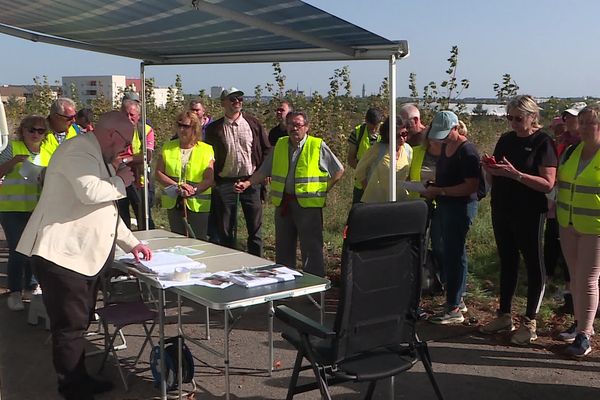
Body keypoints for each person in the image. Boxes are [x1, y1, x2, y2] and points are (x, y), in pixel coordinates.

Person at [16, 111, 153, 400]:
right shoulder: (77, 150)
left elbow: (105, 211)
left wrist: (131, 243)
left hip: (77, 257)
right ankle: (72, 388)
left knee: (78, 324)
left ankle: (79, 379)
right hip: (62, 256)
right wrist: (120, 181)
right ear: (112, 135)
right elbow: (90, 193)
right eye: (125, 143)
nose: (125, 150)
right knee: (70, 328)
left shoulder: (94, 154)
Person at [479, 95, 557, 345]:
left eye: (518, 118)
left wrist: (518, 175)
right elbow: (496, 177)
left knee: (534, 264)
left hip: (529, 212)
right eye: (509, 117)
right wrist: (489, 169)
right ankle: (504, 315)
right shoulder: (505, 139)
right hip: (502, 208)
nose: (513, 123)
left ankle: (530, 321)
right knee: (508, 261)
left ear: (533, 117)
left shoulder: (543, 142)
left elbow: (548, 184)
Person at [234, 111, 343, 277]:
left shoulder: (317, 145)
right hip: (284, 205)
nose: (294, 128)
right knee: (283, 248)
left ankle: (313, 289)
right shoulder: (280, 145)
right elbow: (264, 170)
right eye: (291, 124)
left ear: (306, 127)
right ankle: (285, 286)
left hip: (308, 207)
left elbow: (338, 170)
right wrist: (247, 183)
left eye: (298, 124)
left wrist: (323, 190)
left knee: (311, 249)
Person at [425, 111, 480, 325]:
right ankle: (456, 299)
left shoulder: (467, 152)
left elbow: (471, 186)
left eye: (446, 134)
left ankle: (454, 306)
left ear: (456, 129)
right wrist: (434, 187)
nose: (442, 139)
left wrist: (442, 191)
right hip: (447, 204)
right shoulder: (447, 147)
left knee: (455, 254)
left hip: (461, 207)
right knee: (452, 252)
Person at [204, 87, 271, 257]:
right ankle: (229, 262)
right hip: (225, 182)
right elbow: (207, 156)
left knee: (255, 229)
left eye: (240, 99)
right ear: (223, 103)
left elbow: (266, 150)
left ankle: (258, 264)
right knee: (226, 229)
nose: (237, 102)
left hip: (251, 181)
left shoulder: (253, 124)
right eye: (232, 99)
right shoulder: (214, 129)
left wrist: (262, 175)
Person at [556, 103, 600, 357]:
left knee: (587, 279)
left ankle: (584, 335)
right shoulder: (572, 151)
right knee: (576, 278)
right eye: (581, 123)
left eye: (589, 123)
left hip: (595, 228)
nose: (583, 128)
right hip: (568, 223)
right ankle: (582, 321)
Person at [0, 115, 47, 310]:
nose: (36, 134)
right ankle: (15, 292)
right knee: (18, 252)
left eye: (40, 131)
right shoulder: (12, 147)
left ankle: (31, 286)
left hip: (35, 209)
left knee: (35, 250)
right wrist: (14, 162)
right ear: (23, 130)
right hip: (10, 209)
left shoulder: (47, 152)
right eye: (31, 130)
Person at [156, 111, 214, 240]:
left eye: (186, 126)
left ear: (195, 128)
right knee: (177, 240)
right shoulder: (167, 147)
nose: (181, 129)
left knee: (197, 240)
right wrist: (177, 186)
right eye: (179, 125)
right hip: (174, 201)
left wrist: (193, 190)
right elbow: (159, 173)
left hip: (198, 204)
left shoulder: (206, 149)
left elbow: (209, 179)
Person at [116, 98, 156, 230]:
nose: (128, 118)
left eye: (132, 115)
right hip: (119, 178)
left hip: (139, 179)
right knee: (121, 216)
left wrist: (126, 159)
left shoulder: (146, 130)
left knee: (143, 215)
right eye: (125, 114)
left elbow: (147, 156)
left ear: (138, 116)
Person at [354, 116, 411, 203]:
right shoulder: (377, 149)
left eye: (404, 134)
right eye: (397, 135)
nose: (402, 138)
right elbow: (359, 171)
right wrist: (369, 191)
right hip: (376, 203)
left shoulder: (408, 150)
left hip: (399, 201)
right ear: (388, 134)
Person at [347, 107, 383, 203]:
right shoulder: (357, 133)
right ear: (366, 121)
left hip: (381, 185)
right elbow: (350, 159)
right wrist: (363, 173)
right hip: (361, 185)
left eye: (377, 126)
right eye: (372, 126)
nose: (375, 129)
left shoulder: (386, 132)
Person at [39, 97, 78, 166]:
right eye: (69, 118)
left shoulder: (75, 131)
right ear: (55, 116)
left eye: (75, 116)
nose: (74, 121)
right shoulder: (36, 132)